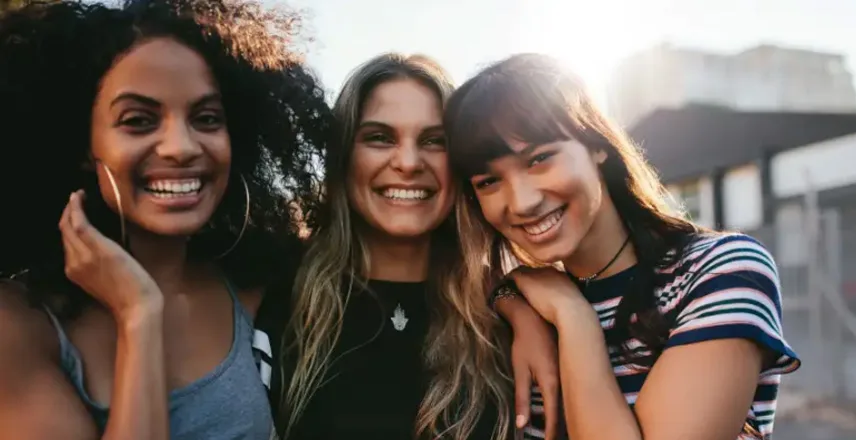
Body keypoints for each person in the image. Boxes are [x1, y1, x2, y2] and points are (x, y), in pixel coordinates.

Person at [0, 0, 331, 438]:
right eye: (138, 120)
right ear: (83, 144)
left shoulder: (255, 284)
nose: (181, 147)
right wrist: (139, 315)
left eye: (207, 118)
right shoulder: (19, 323)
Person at [444, 53, 802, 440]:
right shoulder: (527, 302)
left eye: (539, 158)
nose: (521, 201)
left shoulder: (720, 271)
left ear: (597, 145)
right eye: (487, 182)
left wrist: (574, 319)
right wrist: (511, 298)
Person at [257, 53, 560, 440]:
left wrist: (525, 307)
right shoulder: (277, 297)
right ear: (344, 157)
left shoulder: (505, 321)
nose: (408, 162)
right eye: (379, 138)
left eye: (434, 140)